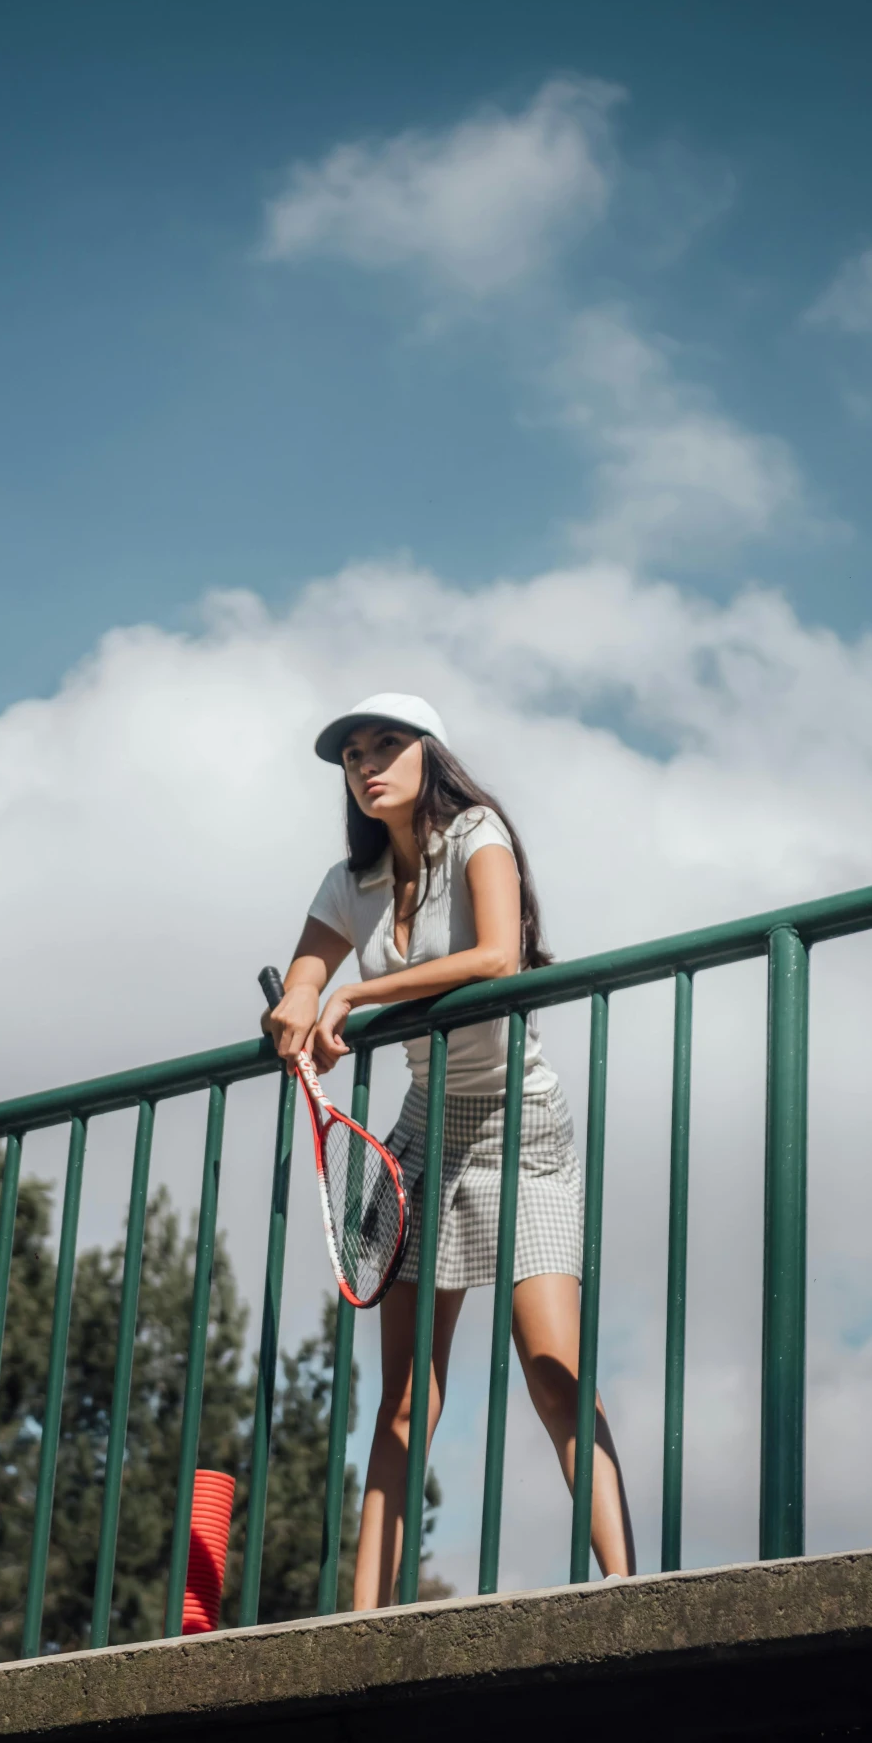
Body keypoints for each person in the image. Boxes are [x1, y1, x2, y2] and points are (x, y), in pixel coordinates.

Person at [263, 690, 636, 1610]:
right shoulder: (345, 884)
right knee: (401, 1399)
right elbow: (302, 984)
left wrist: (354, 998)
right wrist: (295, 1008)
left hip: (522, 1126)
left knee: (552, 1369)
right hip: (425, 1132)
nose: (367, 764)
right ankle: (359, 1624)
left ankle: (629, 1590)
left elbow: (500, 956)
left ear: (430, 753)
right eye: (353, 755)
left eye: (387, 744)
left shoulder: (477, 834)